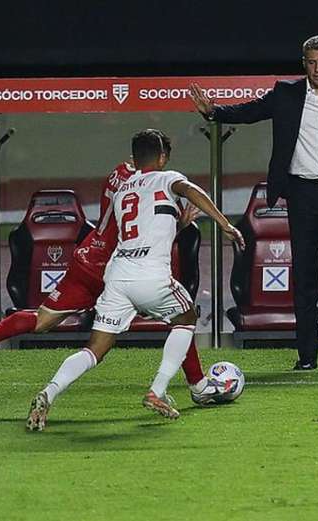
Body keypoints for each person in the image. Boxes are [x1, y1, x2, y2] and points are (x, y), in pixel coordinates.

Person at [0, 158, 230, 406]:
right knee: (180, 316)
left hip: (87, 257)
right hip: (119, 265)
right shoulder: (153, 181)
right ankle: (196, 385)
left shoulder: (119, 175)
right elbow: (142, 228)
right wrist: (181, 223)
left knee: (43, 320)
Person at [189, 35, 318, 371]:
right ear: (304, 63)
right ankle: (307, 358)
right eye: (311, 62)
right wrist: (214, 113)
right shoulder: (287, 93)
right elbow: (251, 110)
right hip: (303, 195)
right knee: (306, 278)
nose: (317, 68)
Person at [26, 129, 245, 429]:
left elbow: (143, 229)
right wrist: (225, 224)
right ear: (163, 157)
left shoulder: (124, 191)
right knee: (187, 316)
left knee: (95, 349)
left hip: (117, 276)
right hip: (150, 274)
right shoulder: (167, 178)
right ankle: (158, 390)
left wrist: (178, 225)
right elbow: (193, 191)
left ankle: (48, 392)